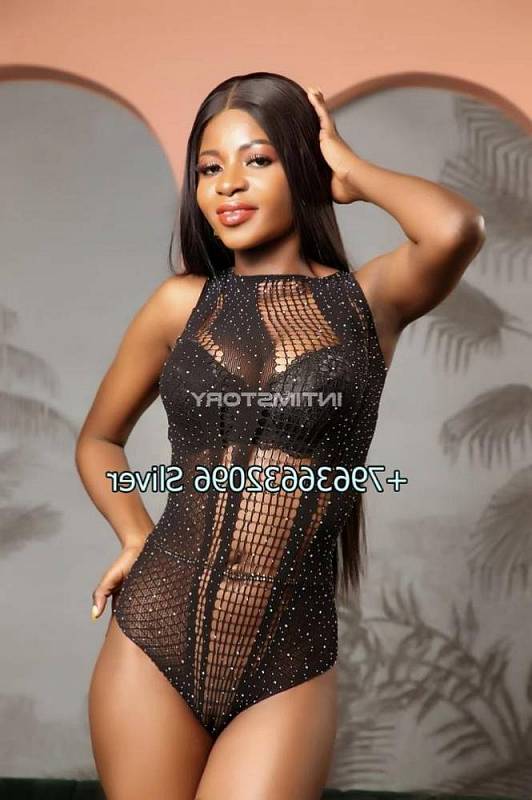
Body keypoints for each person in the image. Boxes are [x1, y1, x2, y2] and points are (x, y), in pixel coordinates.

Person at [75, 71, 485, 800]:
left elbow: (455, 228)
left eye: (258, 159)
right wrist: (134, 533)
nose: (229, 184)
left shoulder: (369, 302)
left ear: (303, 165)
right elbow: (99, 440)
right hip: (153, 633)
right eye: (210, 168)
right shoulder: (179, 305)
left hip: (288, 658)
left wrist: (348, 171)